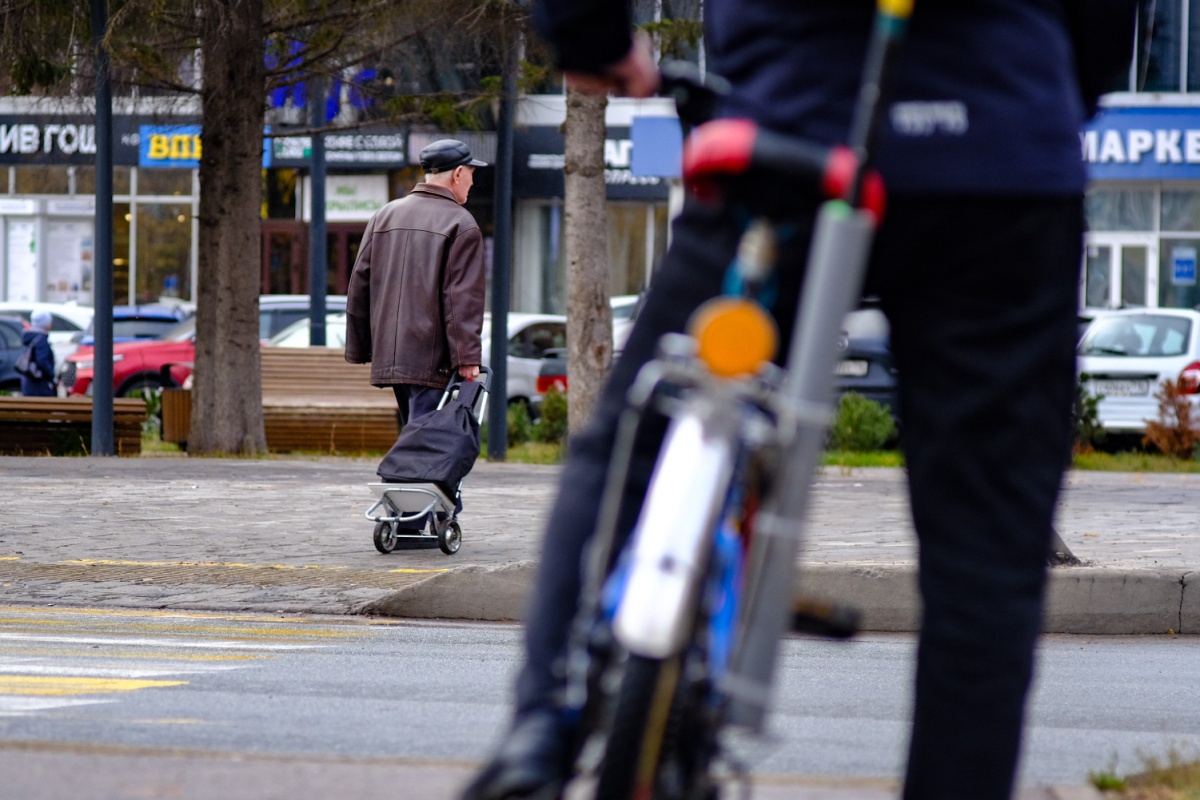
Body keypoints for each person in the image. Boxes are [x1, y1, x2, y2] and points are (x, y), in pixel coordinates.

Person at [463, 2, 1138, 800]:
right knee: (985, 543)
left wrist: (593, 38)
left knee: (638, 432)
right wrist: (1060, 84)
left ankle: (545, 725)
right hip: (999, 153)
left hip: (794, 126)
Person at [345, 139, 487, 522]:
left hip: (394, 355)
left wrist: (362, 347)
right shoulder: (461, 224)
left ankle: (425, 514)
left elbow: (359, 283)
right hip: (433, 357)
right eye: (472, 174)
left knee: (417, 434)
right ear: (458, 174)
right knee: (431, 441)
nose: (472, 183)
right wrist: (468, 358)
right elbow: (461, 300)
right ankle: (418, 519)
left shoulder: (385, 215)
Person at [19, 310, 56, 397]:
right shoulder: (41, 339)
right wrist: (51, 375)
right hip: (40, 384)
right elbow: (42, 361)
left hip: (28, 381)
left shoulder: (30, 336)